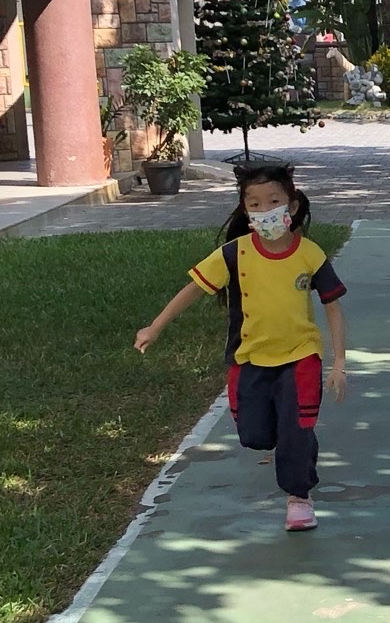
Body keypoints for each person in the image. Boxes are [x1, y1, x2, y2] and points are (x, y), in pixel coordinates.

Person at [135, 161, 348, 532]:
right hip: (249, 359)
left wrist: (338, 362)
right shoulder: (234, 254)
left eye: (274, 201)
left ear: (292, 205)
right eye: (255, 204)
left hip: (301, 357)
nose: (265, 210)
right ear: (245, 210)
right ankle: (288, 441)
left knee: (296, 430)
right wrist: (155, 326)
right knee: (255, 436)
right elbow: (193, 289)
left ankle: (299, 496)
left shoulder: (310, 254)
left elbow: (332, 305)